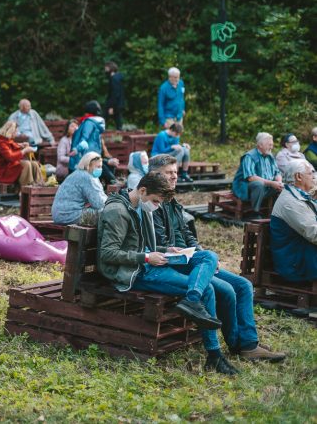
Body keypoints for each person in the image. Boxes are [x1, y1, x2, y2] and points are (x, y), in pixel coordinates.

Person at [97, 172, 239, 375]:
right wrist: (146, 258)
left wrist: (167, 250)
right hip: (134, 273)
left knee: (209, 256)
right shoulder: (118, 211)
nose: (156, 206)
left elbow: (145, 245)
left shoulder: (141, 207)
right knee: (206, 288)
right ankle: (215, 356)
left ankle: (191, 300)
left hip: (151, 264)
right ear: (143, 190)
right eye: (155, 201)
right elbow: (108, 254)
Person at [150, 156, 286, 362]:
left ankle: (248, 343)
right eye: (169, 173)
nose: (175, 176)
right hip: (176, 263)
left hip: (191, 259)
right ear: (154, 174)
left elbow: (187, 234)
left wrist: (201, 253)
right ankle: (239, 345)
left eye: (176, 172)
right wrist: (198, 258)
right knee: (227, 290)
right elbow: (159, 245)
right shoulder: (152, 202)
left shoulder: (171, 200)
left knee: (243, 285)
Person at [269, 159, 317, 283]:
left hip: (306, 255)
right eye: (311, 172)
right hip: (297, 264)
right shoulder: (290, 202)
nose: (314, 176)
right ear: (299, 177)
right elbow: (314, 234)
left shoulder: (300, 196)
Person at [68, 101, 118, 183]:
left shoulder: (88, 123)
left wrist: (76, 149)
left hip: (86, 159)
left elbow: (84, 139)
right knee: (109, 179)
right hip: (93, 158)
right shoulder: (96, 124)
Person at [232, 133, 283, 213]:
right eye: (269, 145)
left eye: (272, 145)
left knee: (283, 186)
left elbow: (277, 172)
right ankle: (254, 212)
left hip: (266, 185)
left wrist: (279, 182)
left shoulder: (270, 156)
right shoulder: (250, 156)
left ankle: (274, 211)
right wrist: (271, 183)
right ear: (260, 145)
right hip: (245, 186)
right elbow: (251, 177)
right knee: (258, 185)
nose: (271, 147)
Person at [52, 152, 107, 225]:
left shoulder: (77, 173)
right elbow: (99, 204)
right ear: (88, 166)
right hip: (70, 216)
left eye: (101, 167)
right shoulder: (88, 177)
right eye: (98, 167)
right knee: (109, 213)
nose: (100, 169)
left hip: (60, 216)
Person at [0, 121, 45, 189]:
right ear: (11, 132)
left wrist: (21, 146)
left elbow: (14, 148)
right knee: (26, 164)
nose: (17, 133)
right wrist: (24, 150)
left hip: (12, 168)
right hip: (5, 172)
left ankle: (39, 184)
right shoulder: (1, 143)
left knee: (34, 164)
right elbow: (10, 157)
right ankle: (26, 188)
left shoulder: (8, 140)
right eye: (16, 131)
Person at [104, 61, 126, 130]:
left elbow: (115, 94)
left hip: (115, 104)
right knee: (118, 121)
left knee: (105, 118)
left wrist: (111, 107)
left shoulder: (114, 79)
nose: (105, 69)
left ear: (110, 68)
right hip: (118, 103)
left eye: (106, 67)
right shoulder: (117, 78)